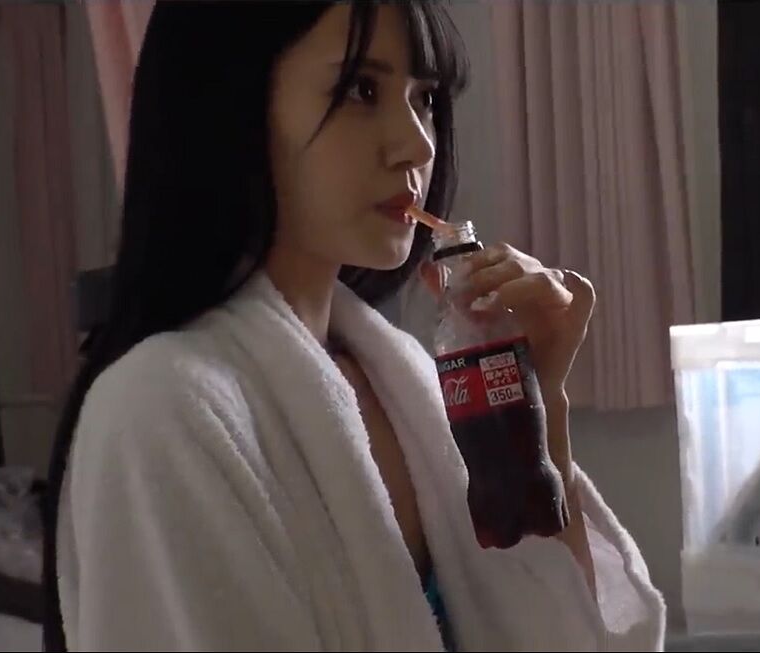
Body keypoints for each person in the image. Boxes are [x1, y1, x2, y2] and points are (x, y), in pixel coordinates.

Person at [43, 2, 665, 650]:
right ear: (230, 105)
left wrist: (538, 406)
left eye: (424, 99)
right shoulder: (159, 411)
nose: (419, 144)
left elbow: (568, 634)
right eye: (362, 90)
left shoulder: (406, 381)